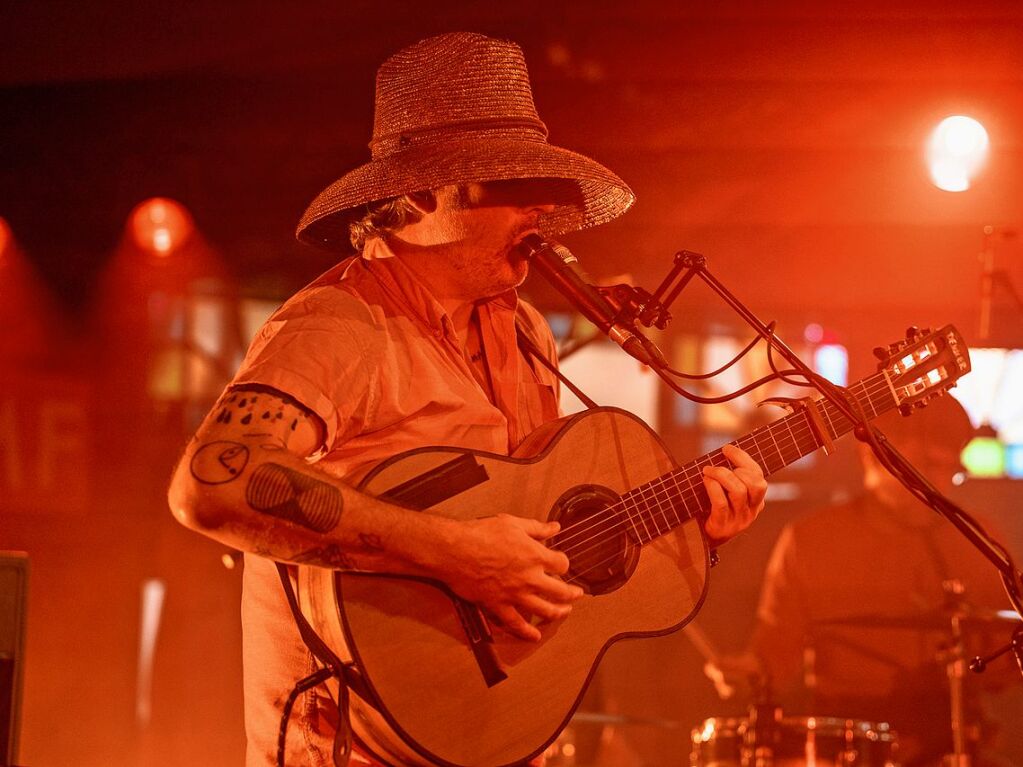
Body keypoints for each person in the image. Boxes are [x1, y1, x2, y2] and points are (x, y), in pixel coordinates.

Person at [167, 32, 768, 767]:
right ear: (422, 193)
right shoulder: (337, 325)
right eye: (515, 185)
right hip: (356, 745)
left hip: (491, 733)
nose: (546, 207)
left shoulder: (520, 331)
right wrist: (454, 553)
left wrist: (690, 536)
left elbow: (536, 544)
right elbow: (213, 484)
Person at [706, 397, 1018, 766]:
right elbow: (774, 660)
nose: (934, 482)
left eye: (943, 468)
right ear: (871, 457)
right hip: (845, 742)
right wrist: (749, 674)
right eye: (919, 467)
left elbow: (1004, 664)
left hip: (951, 734)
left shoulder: (979, 539)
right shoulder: (812, 538)